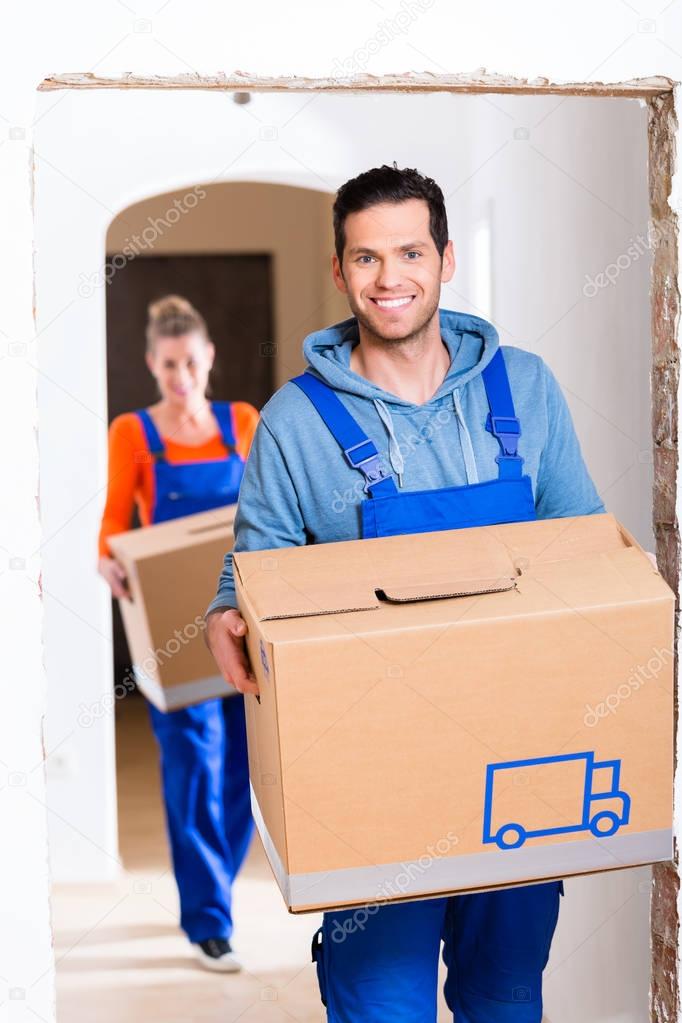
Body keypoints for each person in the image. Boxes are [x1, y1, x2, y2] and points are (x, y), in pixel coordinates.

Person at [204, 165, 605, 1020]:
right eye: (367, 258)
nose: (391, 279)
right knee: (381, 1001)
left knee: (504, 993)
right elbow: (256, 570)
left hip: (520, 757)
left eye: (411, 252)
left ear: (447, 258)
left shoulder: (525, 388)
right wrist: (224, 609)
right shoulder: (295, 422)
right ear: (340, 270)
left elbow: (584, 547)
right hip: (367, 770)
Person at [97, 294, 259, 972]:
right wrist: (109, 560)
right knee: (193, 766)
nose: (181, 376)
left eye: (190, 361)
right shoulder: (134, 433)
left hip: (245, 620)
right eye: (168, 365)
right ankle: (209, 919)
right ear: (151, 365)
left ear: (208, 357)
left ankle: (212, 882)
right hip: (172, 633)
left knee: (246, 768)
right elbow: (111, 524)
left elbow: (271, 511)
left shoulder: (243, 423)